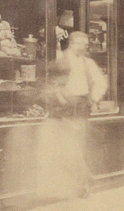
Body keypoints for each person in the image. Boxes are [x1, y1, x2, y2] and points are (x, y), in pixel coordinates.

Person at [36, 31, 107, 199]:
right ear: (73, 43)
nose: (85, 47)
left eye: (86, 45)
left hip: (80, 107)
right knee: (63, 147)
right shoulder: (60, 59)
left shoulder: (88, 63)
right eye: (83, 44)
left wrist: (93, 99)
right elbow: (50, 83)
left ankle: (83, 182)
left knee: (73, 145)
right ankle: (82, 181)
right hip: (61, 107)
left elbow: (101, 83)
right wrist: (58, 97)